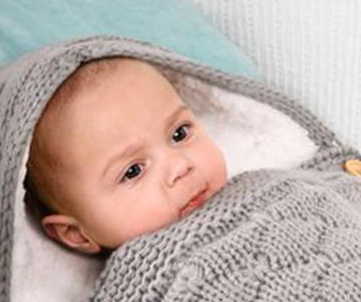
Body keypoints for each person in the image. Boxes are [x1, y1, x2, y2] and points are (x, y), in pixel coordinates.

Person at [23, 56, 229, 254]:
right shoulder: (144, 275)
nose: (180, 166)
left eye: (179, 133)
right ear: (75, 234)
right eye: (133, 171)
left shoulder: (244, 189)